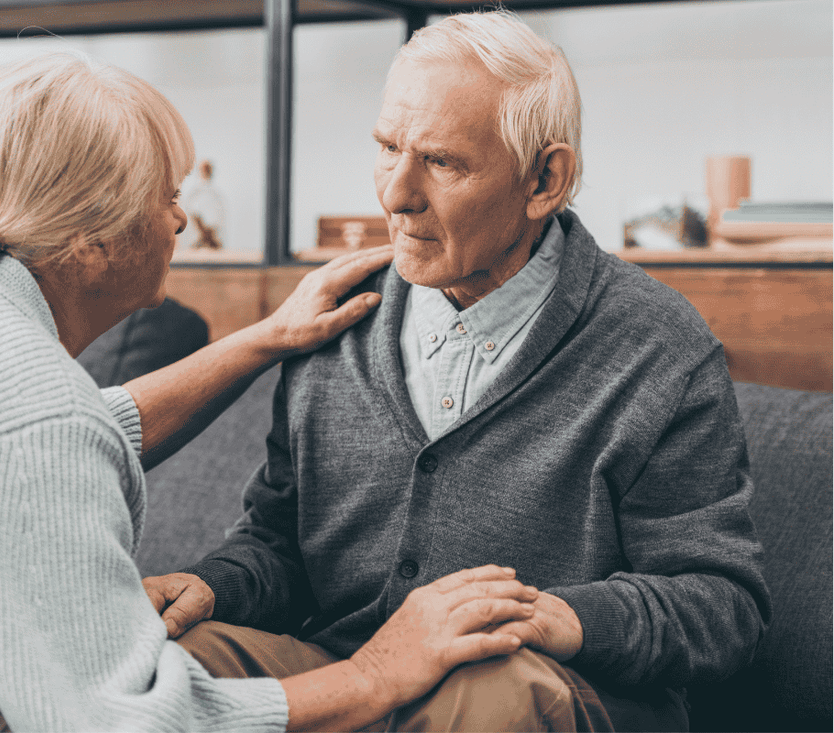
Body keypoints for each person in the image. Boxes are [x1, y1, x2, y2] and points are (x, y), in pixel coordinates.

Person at [0, 53, 544, 732]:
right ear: (91, 244)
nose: (181, 222)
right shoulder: (21, 405)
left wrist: (262, 338)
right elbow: (119, 724)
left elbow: (78, 428)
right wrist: (376, 673)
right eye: (165, 196)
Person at [144, 10, 772, 732]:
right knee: (163, 662)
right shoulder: (335, 316)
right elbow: (278, 545)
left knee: (488, 687)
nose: (395, 194)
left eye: (442, 162)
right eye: (387, 147)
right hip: (344, 672)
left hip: (549, 687)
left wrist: (562, 616)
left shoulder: (659, 346)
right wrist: (211, 586)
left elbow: (725, 607)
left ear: (544, 179)